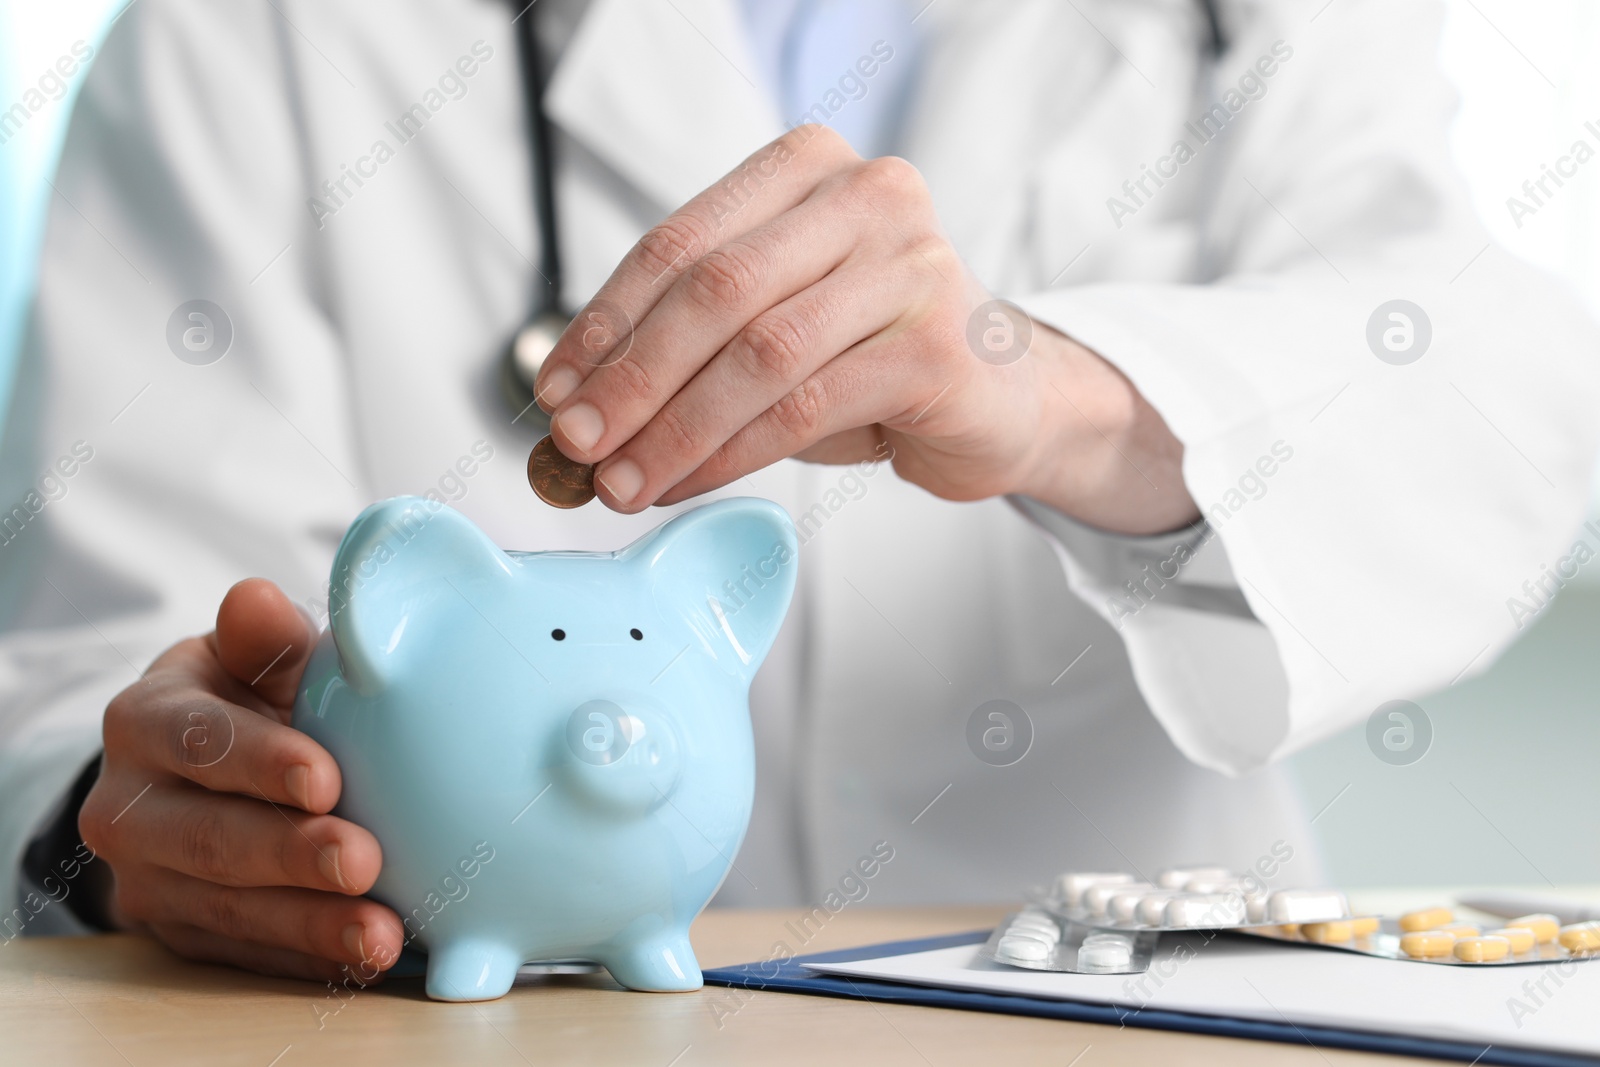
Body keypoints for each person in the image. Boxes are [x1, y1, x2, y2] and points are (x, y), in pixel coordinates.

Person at [2, 0, 1595, 982]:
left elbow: (1487, 387)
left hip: (1131, 1007)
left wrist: (1053, 394)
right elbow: (103, 684)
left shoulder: (1251, 22)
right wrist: (142, 825)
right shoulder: (254, 32)